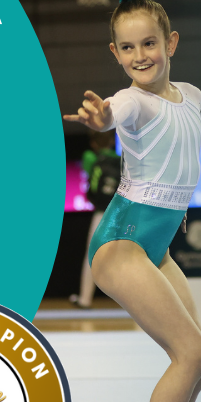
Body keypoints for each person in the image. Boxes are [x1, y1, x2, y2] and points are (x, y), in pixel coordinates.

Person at [63, 0, 201, 402]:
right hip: (122, 241)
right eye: (127, 48)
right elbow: (113, 111)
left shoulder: (190, 95)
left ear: (170, 42)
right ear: (115, 54)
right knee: (190, 355)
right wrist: (101, 117)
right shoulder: (131, 101)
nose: (139, 55)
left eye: (149, 43)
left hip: (157, 246)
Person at [71, 129, 122, 308]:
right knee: (125, 256)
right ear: (110, 142)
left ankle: (85, 299)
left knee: (92, 255)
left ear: (93, 144)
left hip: (101, 213)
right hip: (120, 214)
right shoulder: (120, 161)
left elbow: (89, 178)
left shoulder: (90, 158)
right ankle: (131, 301)